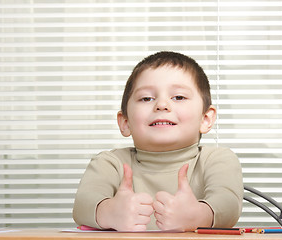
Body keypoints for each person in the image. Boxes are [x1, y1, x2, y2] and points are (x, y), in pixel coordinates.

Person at [73, 51, 243, 232]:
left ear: (205, 119)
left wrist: (197, 215)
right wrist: (110, 212)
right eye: (146, 98)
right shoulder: (109, 163)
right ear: (125, 122)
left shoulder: (218, 159)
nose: (162, 105)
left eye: (178, 97)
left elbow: (228, 203)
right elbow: (83, 204)